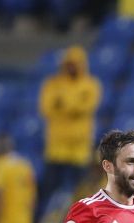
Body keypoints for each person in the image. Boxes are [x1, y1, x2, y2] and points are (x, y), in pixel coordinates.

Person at [39, 45, 102, 210]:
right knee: (49, 193)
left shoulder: (90, 85)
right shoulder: (53, 84)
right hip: (55, 149)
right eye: (69, 63)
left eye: (75, 63)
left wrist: (62, 104)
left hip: (79, 150)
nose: (71, 67)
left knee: (78, 193)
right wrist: (74, 106)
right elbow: (46, 108)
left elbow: (87, 107)